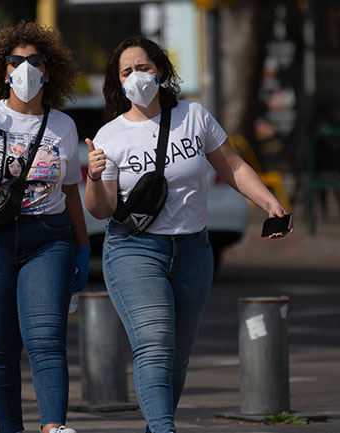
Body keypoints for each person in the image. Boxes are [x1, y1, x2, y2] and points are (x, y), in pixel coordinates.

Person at [83, 36, 292, 433]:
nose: (136, 77)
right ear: (118, 82)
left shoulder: (193, 116)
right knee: (155, 345)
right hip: (135, 250)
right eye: (126, 72)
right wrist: (94, 178)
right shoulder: (111, 136)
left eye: (143, 67)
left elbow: (232, 166)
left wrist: (269, 202)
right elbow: (102, 208)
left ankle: (157, 427)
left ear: (159, 70)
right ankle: (164, 429)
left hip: (194, 249)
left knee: (177, 355)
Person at [0, 21, 89, 433]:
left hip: (47, 240)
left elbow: (69, 193)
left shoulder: (64, 126)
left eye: (35, 61)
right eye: (17, 61)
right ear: (5, 69)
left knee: (47, 342)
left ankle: (53, 426)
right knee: (0, 351)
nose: (26, 68)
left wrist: (82, 249)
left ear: (49, 70)